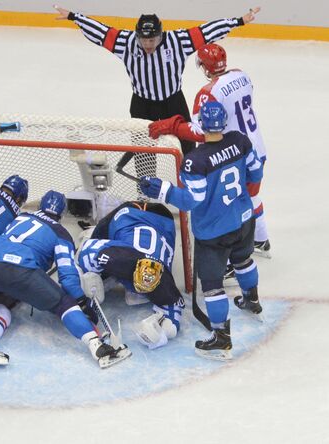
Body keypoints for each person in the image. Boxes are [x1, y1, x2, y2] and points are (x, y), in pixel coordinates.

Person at [140, 101, 264, 360]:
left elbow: (191, 200)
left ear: (202, 125)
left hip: (214, 232)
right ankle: (252, 300)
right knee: (243, 259)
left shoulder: (195, 161)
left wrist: (162, 190)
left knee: (211, 285)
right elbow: (256, 171)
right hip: (243, 218)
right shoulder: (240, 141)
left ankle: (221, 337)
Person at [54, 5, 260, 156]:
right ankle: (146, 187)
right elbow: (102, 32)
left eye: (151, 40)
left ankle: (187, 178)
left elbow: (207, 31)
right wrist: (75, 17)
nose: (147, 44)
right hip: (142, 105)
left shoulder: (178, 41)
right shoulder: (126, 42)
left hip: (173, 101)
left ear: (160, 35)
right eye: (143, 40)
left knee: (187, 144)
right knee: (143, 149)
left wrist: (239, 21)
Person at [0, 190, 132, 369]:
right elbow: (67, 276)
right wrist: (80, 300)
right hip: (22, 272)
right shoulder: (60, 233)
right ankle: (98, 347)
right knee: (64, 304)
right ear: (62, 212)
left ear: (41, 204)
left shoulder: (20, 217)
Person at [148, 43, 271, 257]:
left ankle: (235, 255)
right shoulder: (242, 75)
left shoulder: (208, 92)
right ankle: (261, 239)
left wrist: (173, 126)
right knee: (251, 196)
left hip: (236, 153)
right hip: (255, 146)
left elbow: (200, 130)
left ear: (205, 67)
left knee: (230, 203)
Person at [77, 201, 185, 350]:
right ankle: (91, 233)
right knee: (95, 242)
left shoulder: (163, 280)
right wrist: (91, 278)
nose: (142, 289)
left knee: (135, 297)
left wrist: (160, 332)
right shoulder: (118, 257)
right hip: (127, 213)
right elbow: (87, 251)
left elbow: (172, 320)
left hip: (163, 219)